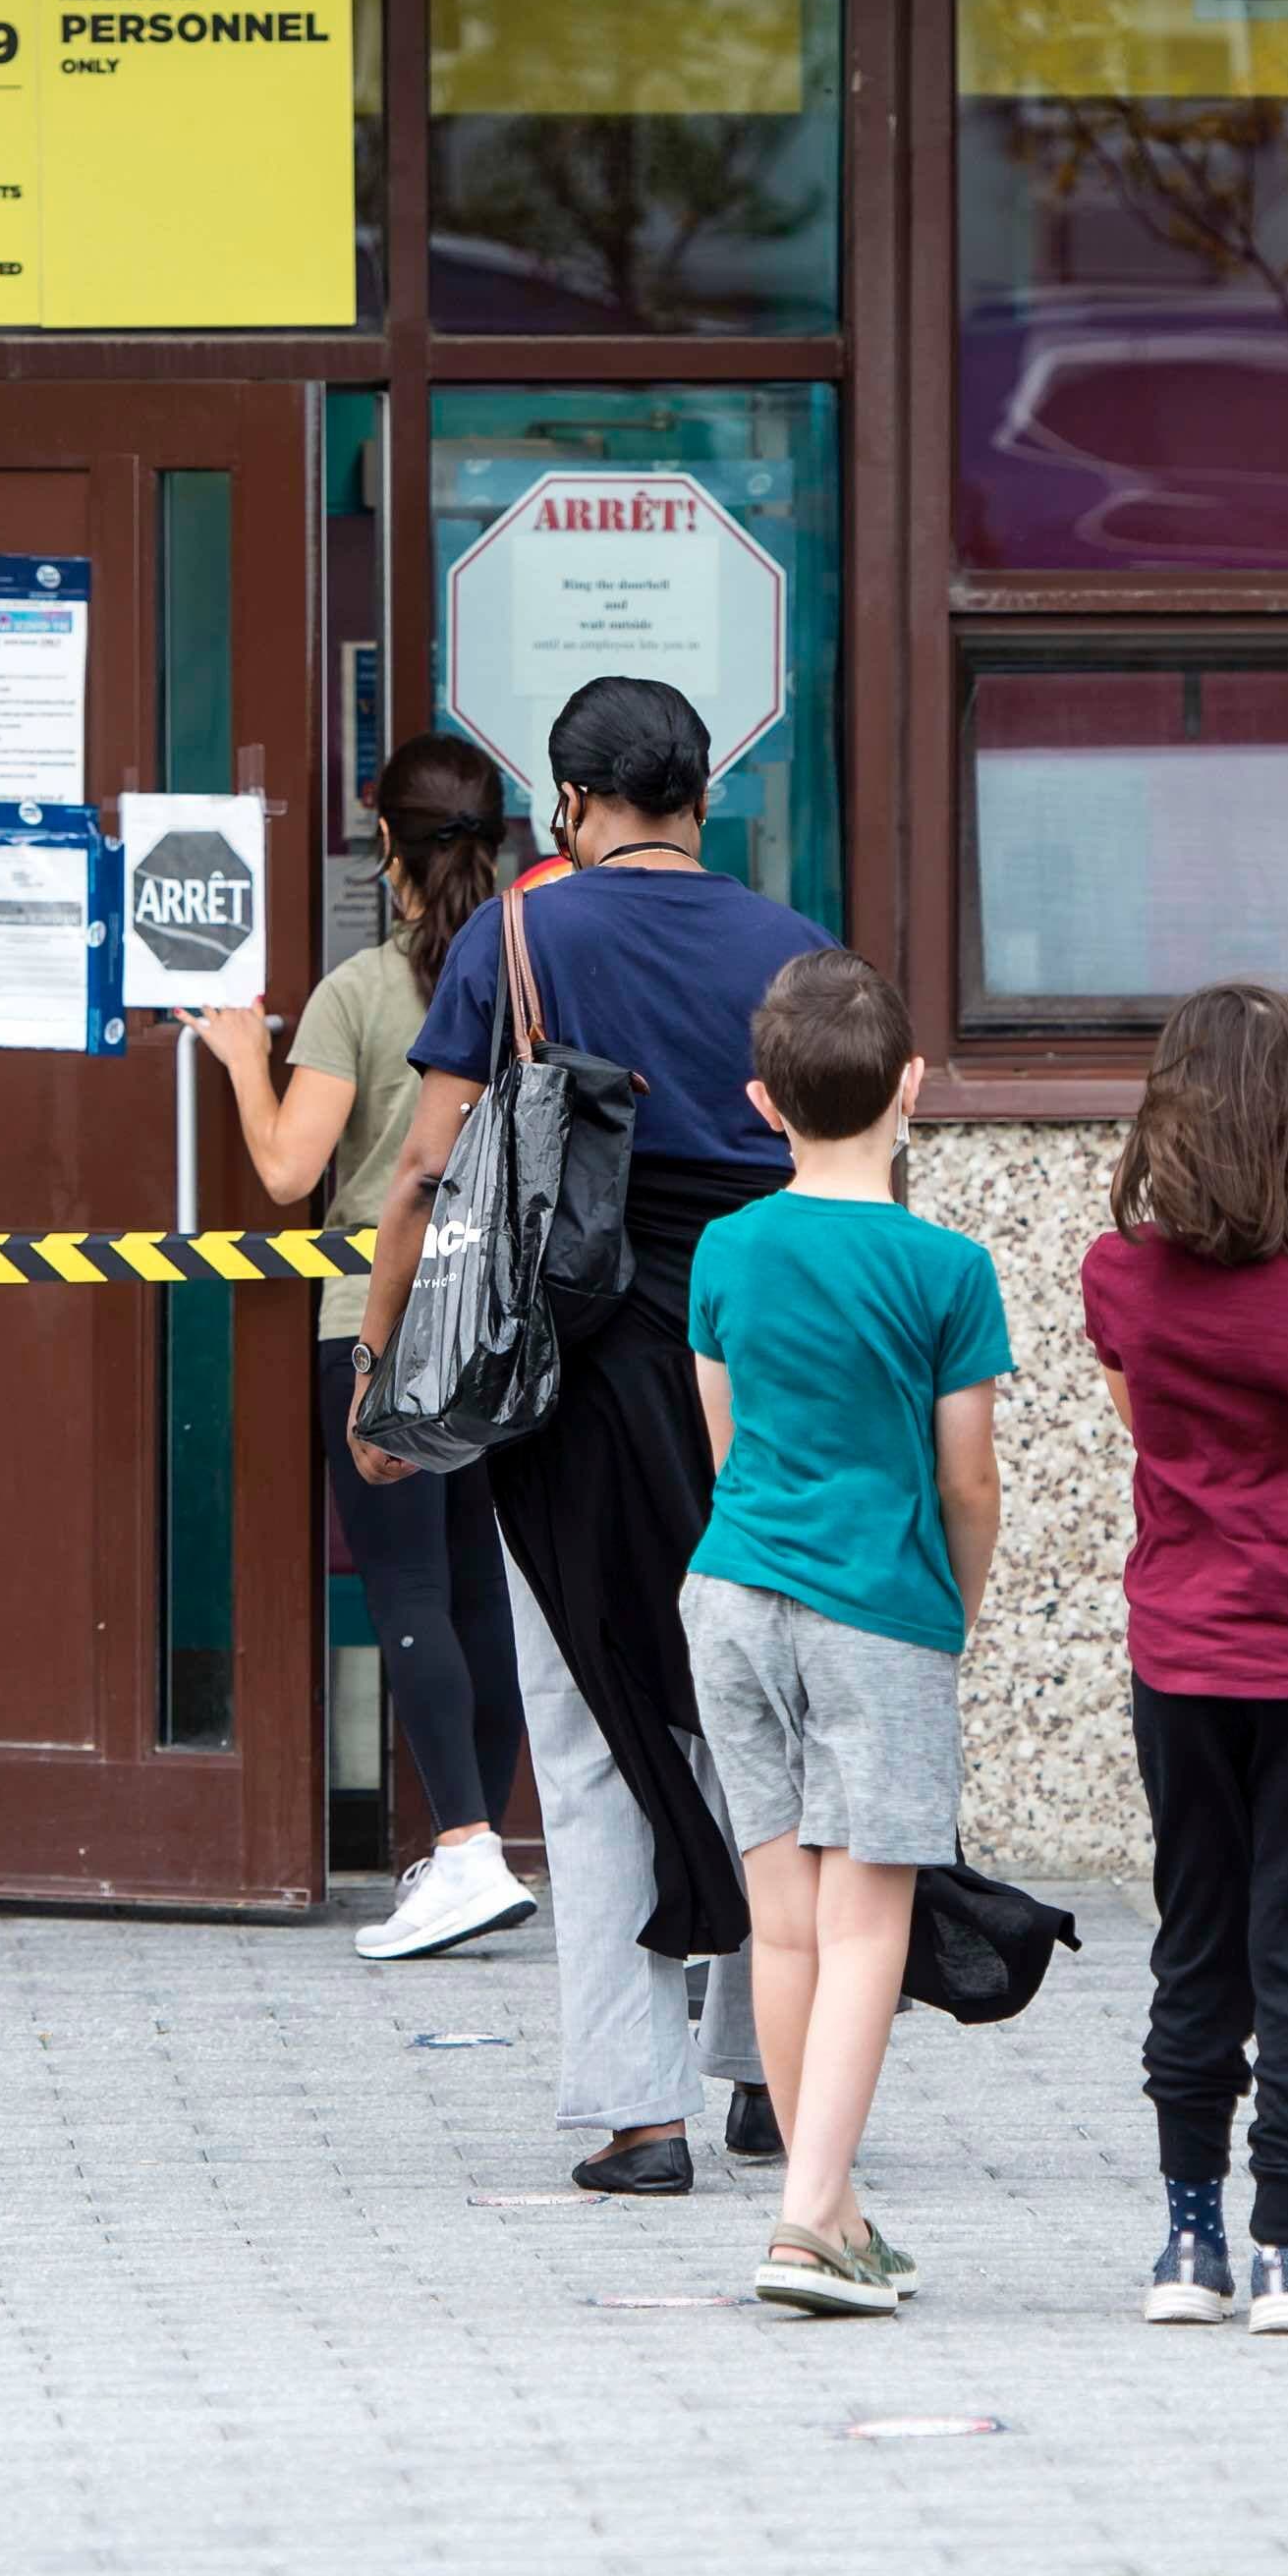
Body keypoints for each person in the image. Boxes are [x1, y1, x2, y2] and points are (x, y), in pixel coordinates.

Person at [346, 677, 825, 2193]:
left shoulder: (519, 935)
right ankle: (771, 2066)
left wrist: (383, 1367)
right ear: (702, 795)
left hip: (584, 1390)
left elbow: (424, 1170)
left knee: (591, 1723)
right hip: (766, 1376)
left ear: (568, 802)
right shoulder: (794, 949)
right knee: (757, 1710)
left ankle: (639, 2109)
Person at [1083, 982, 1288, 2338]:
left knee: (1197, 1934)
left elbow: (1147, 1429)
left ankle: (1187, 2238)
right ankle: (1287, 2244)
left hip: (1180, 1649)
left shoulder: (1118, 1275)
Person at [680, 949, 1012, 2317]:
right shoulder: (949, 1268)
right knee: (868, 1923)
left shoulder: (723, 1248)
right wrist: (955, 1609)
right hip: (878, 1608)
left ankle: (833, 2207)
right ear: (910, 1087)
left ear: (763, 1102)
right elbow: (968, 1478)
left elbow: (723, 1437)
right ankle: (804, 2218)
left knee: (781, 1927)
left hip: (732, 1593)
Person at [190, 737, 532, 1958]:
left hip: (376, 1321)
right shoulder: (526, 986)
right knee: (480, 1591)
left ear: (386, 846)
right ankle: (474, 1840)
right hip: (498, 1325)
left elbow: (289, 1170)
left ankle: (464, 1849)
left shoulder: (363, 991)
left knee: (408, 1590)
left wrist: (243, 1062)